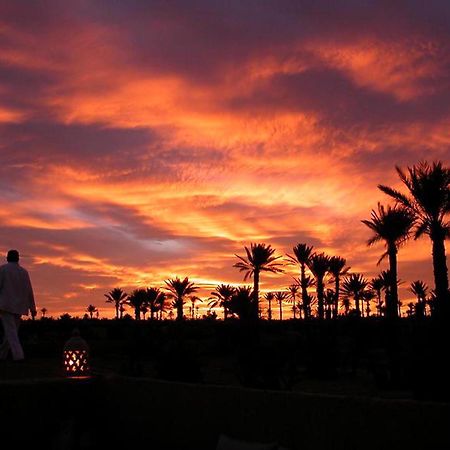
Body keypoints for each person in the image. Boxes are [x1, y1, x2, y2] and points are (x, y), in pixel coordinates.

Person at [0, 249, 36, 361]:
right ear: (18, 258)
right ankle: (2, 355)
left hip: (5, 305)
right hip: (20, 306)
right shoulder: (24, 272)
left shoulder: (3, 270)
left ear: (7, 258)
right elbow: (29, 290)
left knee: (11, 333)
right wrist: (32, 307)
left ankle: (18, 356)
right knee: (12, 332)